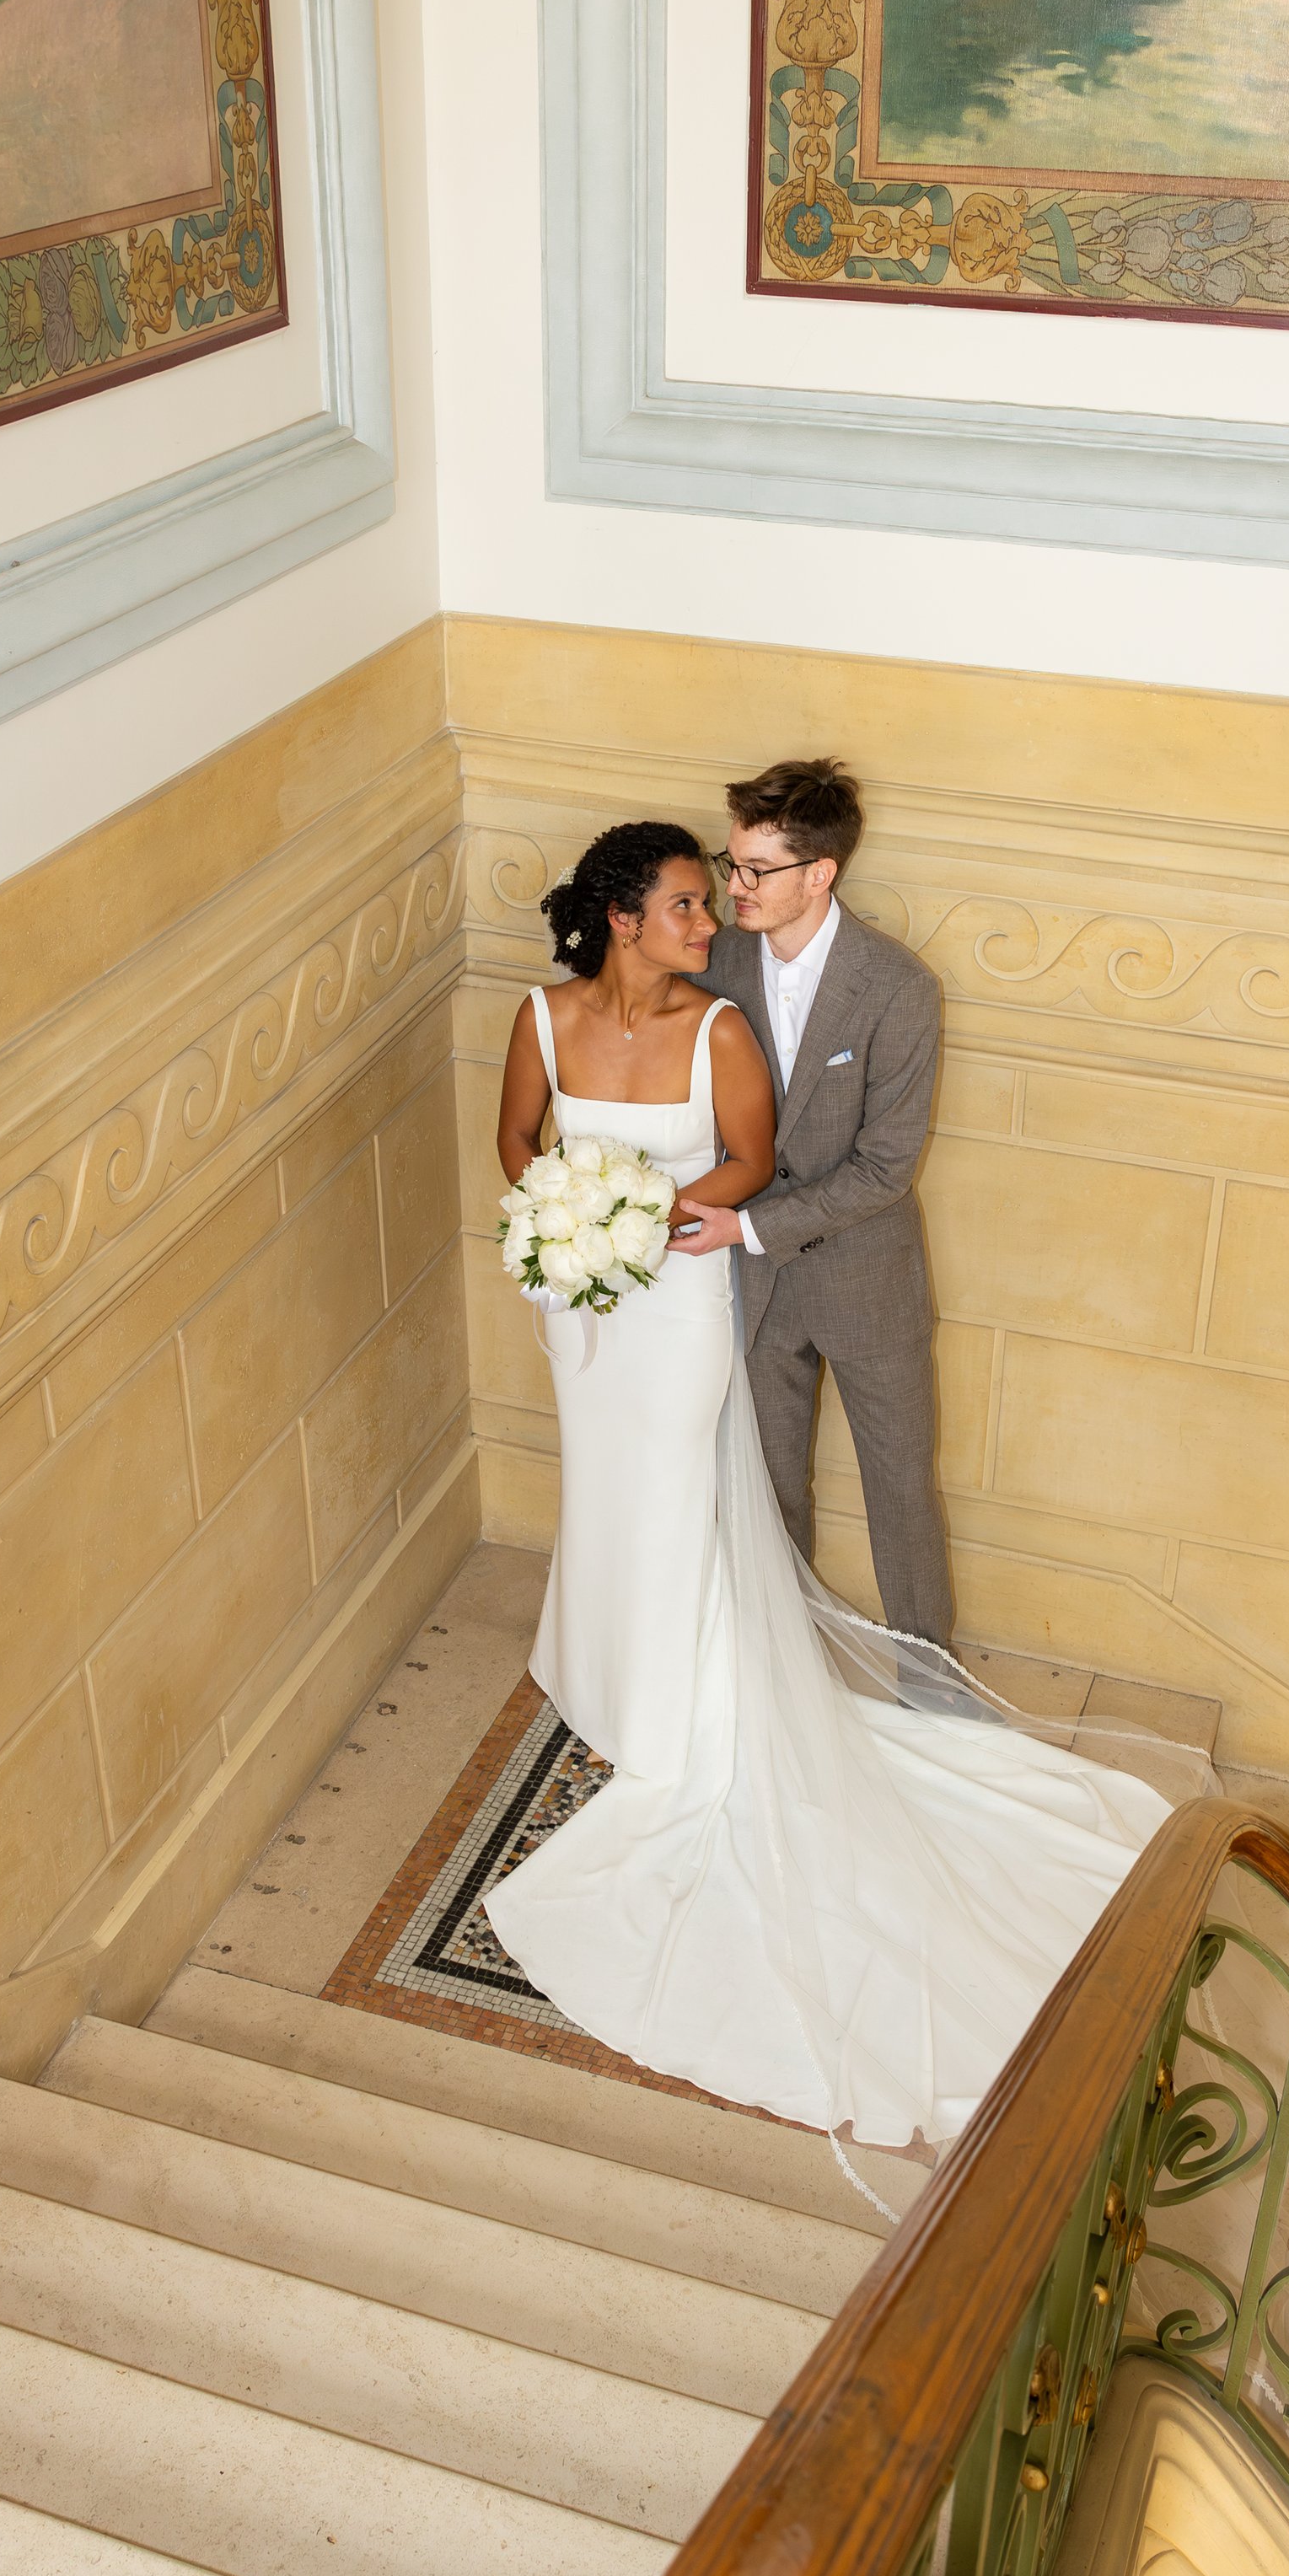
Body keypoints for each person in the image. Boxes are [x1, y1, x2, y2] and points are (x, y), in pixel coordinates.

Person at [483, 819, 1205, 2157]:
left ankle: (717, 1693)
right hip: (590, 1309)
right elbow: (517, 1146)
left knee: (723, 1484)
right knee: (610, 1486)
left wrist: (638, 1216)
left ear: (817, 872)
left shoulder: (741, 1022)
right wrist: (559, 1218)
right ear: (625, 914)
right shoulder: (541, 1015)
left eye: (732, 889)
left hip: (691, 1286)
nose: (716, 916)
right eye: (695, 899)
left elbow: (768, 1163)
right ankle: (604, 1669)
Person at [675, 759, 953, 1650]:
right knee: (768, 1485)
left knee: (901, 1486)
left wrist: (747, 1225)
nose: (737, 888)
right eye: (732, 864)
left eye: (758, 870)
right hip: (748, 1289)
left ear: (820, 873)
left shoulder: (899, 989)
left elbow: (884, 1167)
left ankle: (931, 1676)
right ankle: (778, 1667)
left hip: (868, 1281)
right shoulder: (712, 961)